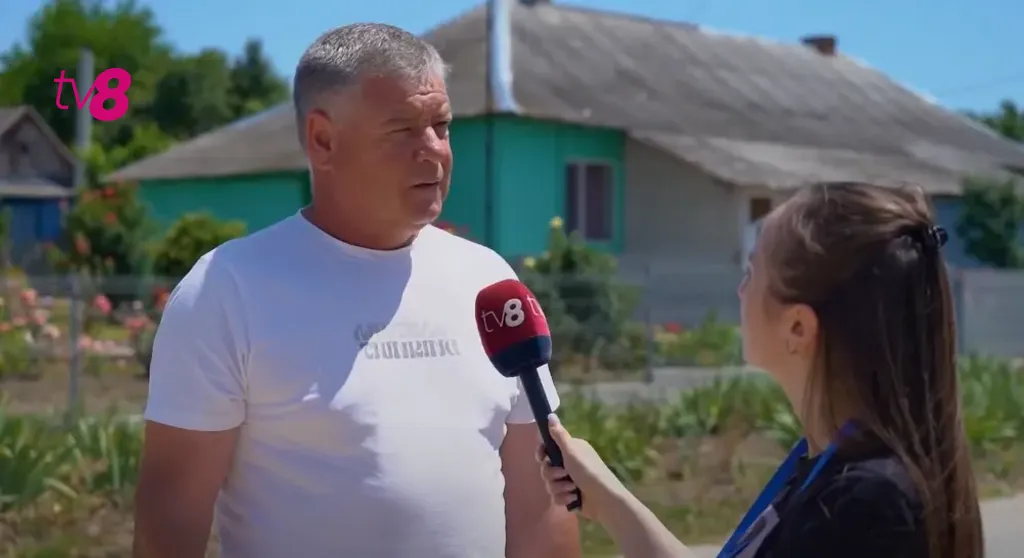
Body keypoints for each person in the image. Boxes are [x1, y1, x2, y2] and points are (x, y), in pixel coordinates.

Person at [133, 23, 580, 558]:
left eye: (441, 126)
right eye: (403, 130)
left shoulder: (490, 283)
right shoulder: (226, 290)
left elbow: (541, 507)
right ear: (323, 140)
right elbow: (170, 518)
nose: (433, 151)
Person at [539, 182, 985, 558]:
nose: (739, 291)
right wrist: (610, 500)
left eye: (751, 273)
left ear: (798, 327)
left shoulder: (868, 506)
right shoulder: (836, 473)